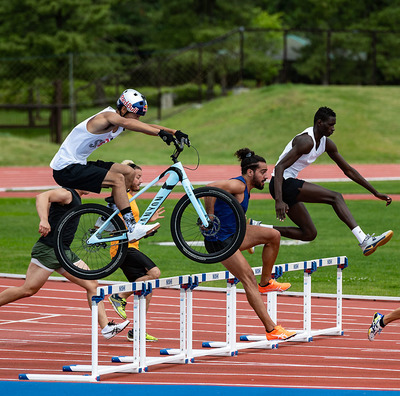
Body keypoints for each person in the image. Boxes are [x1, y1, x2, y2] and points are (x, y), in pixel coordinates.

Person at [50, 88, 190, 243]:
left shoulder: (123, 120)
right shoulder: (107, 116)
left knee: (128, 172)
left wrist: (175, 132)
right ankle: (132, 227)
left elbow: (142, 125)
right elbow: (128, 123)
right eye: (135, 114)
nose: (137, 118)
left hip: (78, 163)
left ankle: (106, 219)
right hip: (65, 168)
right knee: (117, 179)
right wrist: (160, 134)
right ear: (123, 109)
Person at [0, 188, 129, 339]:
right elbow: (42, 196)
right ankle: (106, 327)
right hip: (49, 250)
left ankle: (106, 327)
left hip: (63, 251)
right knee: (28, 289)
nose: (95, 185)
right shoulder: (67, 194)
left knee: (92, 284)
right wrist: (44, 219)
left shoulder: (75, 198)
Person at [268, 106, 393, 256]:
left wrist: (375, 192)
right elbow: (279, 167)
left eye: (334, 125)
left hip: (286, 184)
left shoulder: (326, 143)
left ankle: (259, 228)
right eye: (330, 124)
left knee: (309, 233)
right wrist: (279, 200)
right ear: (319, 123)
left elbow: (348, 170)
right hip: (281, 183)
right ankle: (364, 240)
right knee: (335, 197)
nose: (333, 129)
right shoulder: (306, 141)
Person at [206, 148, 296, 341]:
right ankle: (272, 329)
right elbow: (210, 188)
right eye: (263, 172)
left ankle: (266, 282)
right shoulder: (238, 186)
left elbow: (236, 216)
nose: (267, 176)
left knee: (273, 235)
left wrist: (248, 241)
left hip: (233, 235)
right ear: (250, 172)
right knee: (248, 280)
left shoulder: (245, 190)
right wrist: (210, 216)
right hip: (220, 241)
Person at [108, 160, 162, 342]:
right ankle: (119, 296)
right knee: (154, 273)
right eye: (137, 177)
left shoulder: (130, 198)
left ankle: (137, 331)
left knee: (146, 289)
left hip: (131, 246)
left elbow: (132, 229)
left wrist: (147, 227)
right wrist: (127, 167)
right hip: (122, 248)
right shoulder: (120, 194)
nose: (140, 181)